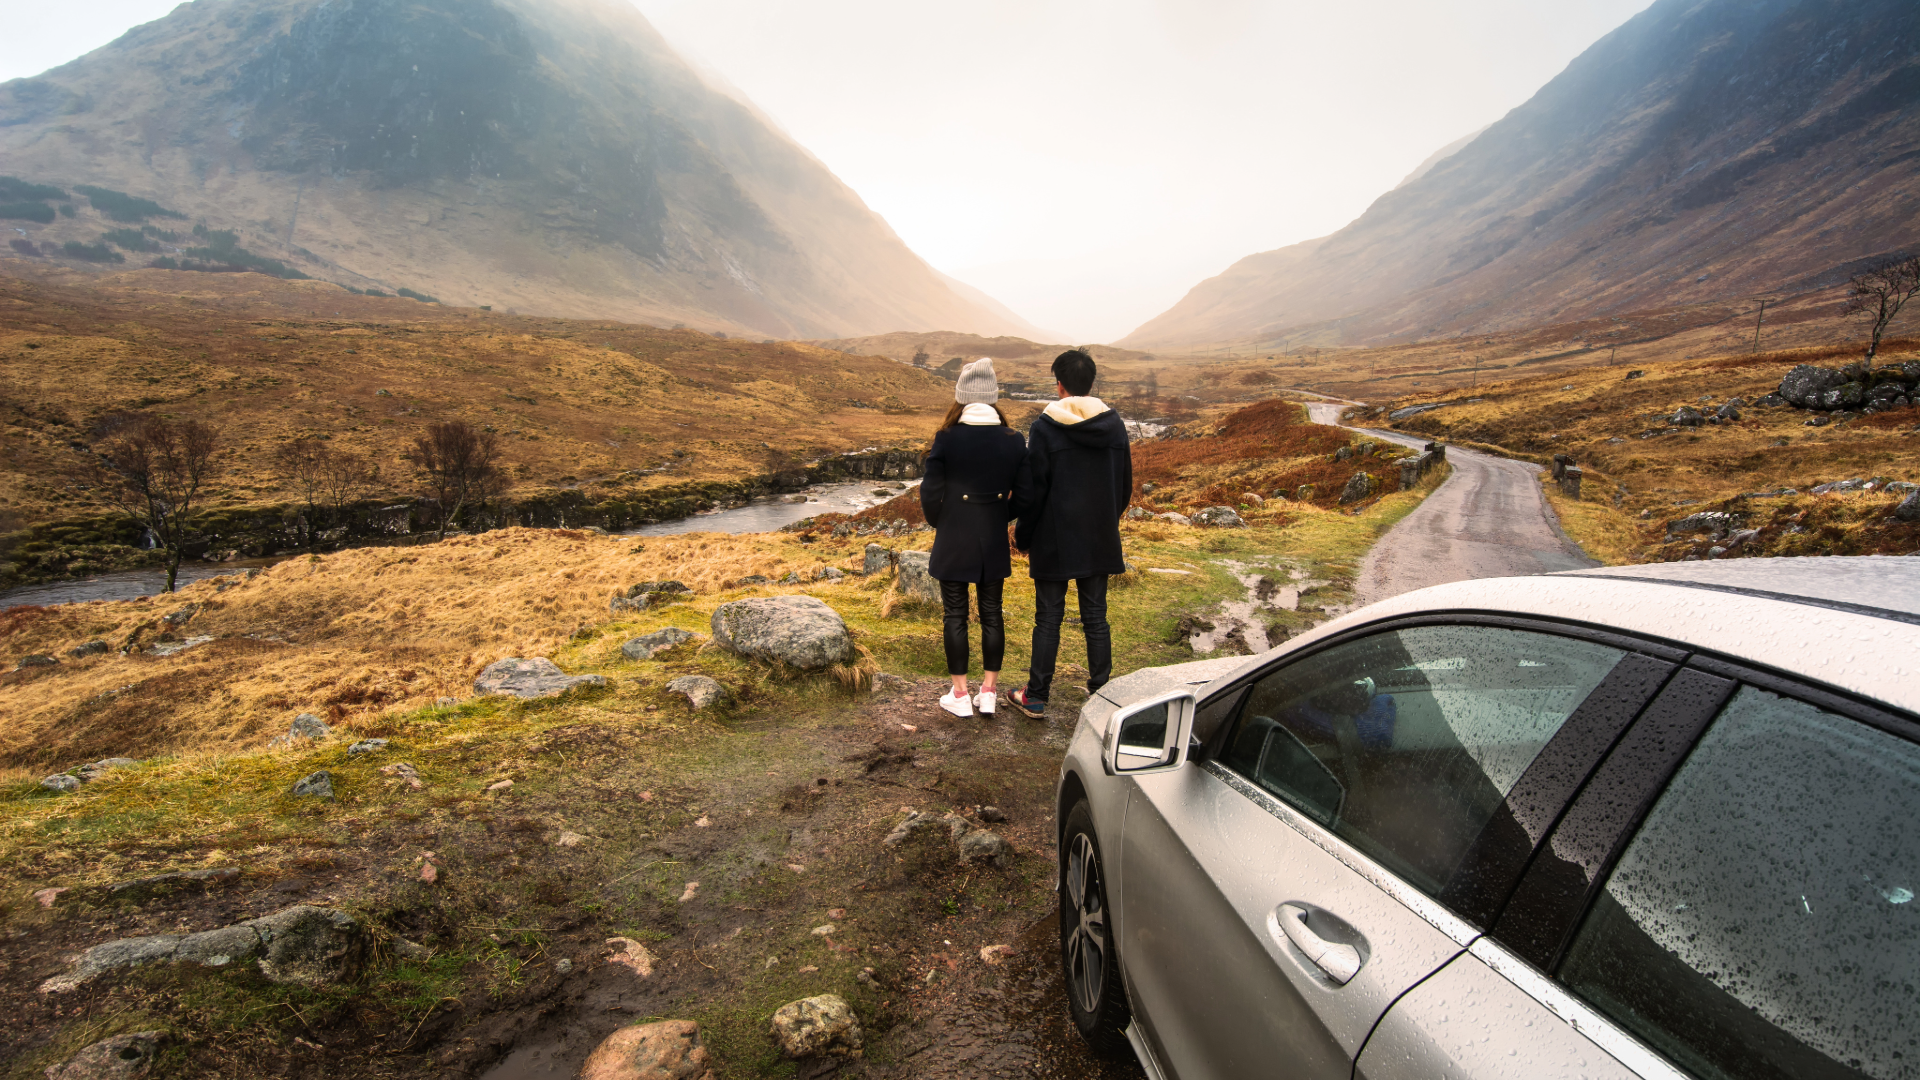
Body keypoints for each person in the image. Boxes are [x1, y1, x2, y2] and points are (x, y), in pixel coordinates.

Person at [1008, 349, 1132, 718]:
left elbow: (1035, 491)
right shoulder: (1114, 425)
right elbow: (1124, 485)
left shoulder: (1045, 427)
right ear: (1090, 383)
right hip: (1099, 535)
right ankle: (1102, 695)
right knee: (1096, 615)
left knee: (1048, 617)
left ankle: (1035, 696)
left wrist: (1024, 536)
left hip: (1054, 538)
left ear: (1059, 384)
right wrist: (1106, 519)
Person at [920, 358, 1028, 718]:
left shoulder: (947, 438)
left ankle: (960, 695)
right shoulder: (1014, 440)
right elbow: (1026, 495)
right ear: (992, 396)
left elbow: (929, 492)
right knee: (992, 613)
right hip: (992, 539)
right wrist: (998, 515)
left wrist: (942, 521)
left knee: (955, 615)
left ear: (962, 396)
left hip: (954, 538)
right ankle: (990, 692)